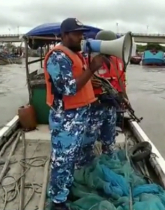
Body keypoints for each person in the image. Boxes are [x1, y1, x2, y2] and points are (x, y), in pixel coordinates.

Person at [43, 18, 103, 210]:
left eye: (82, 33)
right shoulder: (58, 57)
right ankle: (58, 201)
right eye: (77, 33)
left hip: (78, 116)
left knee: (72, 157)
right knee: (62, 160)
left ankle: (66, 189)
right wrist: (92, 69)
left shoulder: (75, 54)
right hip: (66, 119)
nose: (81, 37)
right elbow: (68, 88)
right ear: (65, 35)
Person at [79, 30, 127, 166]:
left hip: (110, 107)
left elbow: (121, 82)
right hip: (93, 107)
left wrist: (123, 97)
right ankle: (85, 165)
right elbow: (77, 81)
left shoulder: (117, 60)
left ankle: (109, 161)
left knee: (109, 138)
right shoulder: (88, 59)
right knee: (88, 139)